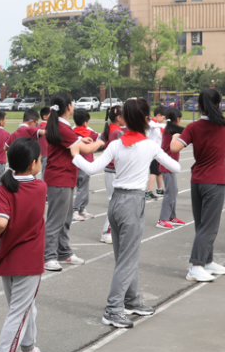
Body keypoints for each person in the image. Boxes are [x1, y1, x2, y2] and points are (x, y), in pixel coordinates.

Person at [72, 99, 180, 328]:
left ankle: (131, 300)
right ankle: (113, 309)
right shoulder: (150, 145)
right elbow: (176, 167)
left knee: (125, 257)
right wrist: (164, 137)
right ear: (145, 118)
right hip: (132, 203)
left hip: (116, 201)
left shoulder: (116, 143)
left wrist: (75, 154)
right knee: (128, 259)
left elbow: (91, 168)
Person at [0, 137, 58, 352]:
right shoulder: (40, 187)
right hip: (29, 260)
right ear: (33, 163)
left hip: (8, 257)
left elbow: (3, 216)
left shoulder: (3, 188)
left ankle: (27, 350)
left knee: (26, 308)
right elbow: (2, 221)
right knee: (20, 311)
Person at [172, 89, 225, 283]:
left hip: (197, 180)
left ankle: (207, 261)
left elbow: (175, 147)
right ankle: (196, 265)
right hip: (214, 181)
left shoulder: (193, 127)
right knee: (209, 226)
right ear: (218, 105)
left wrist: (174, 136)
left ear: (199, 106)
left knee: (202, 224)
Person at [42, 93, 104, 272]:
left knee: (66, 218)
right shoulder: (63, 128)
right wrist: (101, 142)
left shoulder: (62, 126)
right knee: (56, 219)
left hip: (65, 177)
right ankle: (49, 256)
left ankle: (63, 252)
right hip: (59, 179)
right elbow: (84, 149)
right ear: (69, 107)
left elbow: (74, 142)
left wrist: (80, 139)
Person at [99, 105, 125, 244]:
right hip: (115, 170)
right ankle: (107, 231)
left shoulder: (108, 130)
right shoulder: (118, 132)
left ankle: (112, 230)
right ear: (119, 117)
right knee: (114, 202)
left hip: (110, 170)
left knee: (115, 201)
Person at [156, 108, 186, 229]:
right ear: (177, 119)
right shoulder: (172, 130)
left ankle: (171, 216)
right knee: (170, 192)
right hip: (167, 166)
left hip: (169, 165)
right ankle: (162, 219)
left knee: (174, 191)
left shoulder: (170, 128)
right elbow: (186, 132)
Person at [71, 108, 100, 221]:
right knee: (82, 188)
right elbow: (101, 138)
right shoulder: (89, 132)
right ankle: (75, 210)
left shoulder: (71, 131)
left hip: (74, 164)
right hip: (84, 165)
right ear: (85, 122)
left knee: (83, 188)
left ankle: (82, 209)